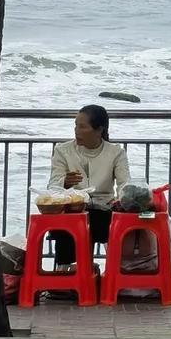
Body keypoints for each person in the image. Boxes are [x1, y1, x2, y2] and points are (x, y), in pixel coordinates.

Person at [47, 104, 131, 269]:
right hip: (72, 208)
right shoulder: (63, 150)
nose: (76, 131)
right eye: (75, 126)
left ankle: (80, 269)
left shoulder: (115, 152)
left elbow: (124, 184)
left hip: (103, 209)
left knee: (93, 219)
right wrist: (64, 182)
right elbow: (53, 186)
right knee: (71, 221)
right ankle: (66, 270)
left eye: (82, 126)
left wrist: (126, 199)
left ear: (99, 130)